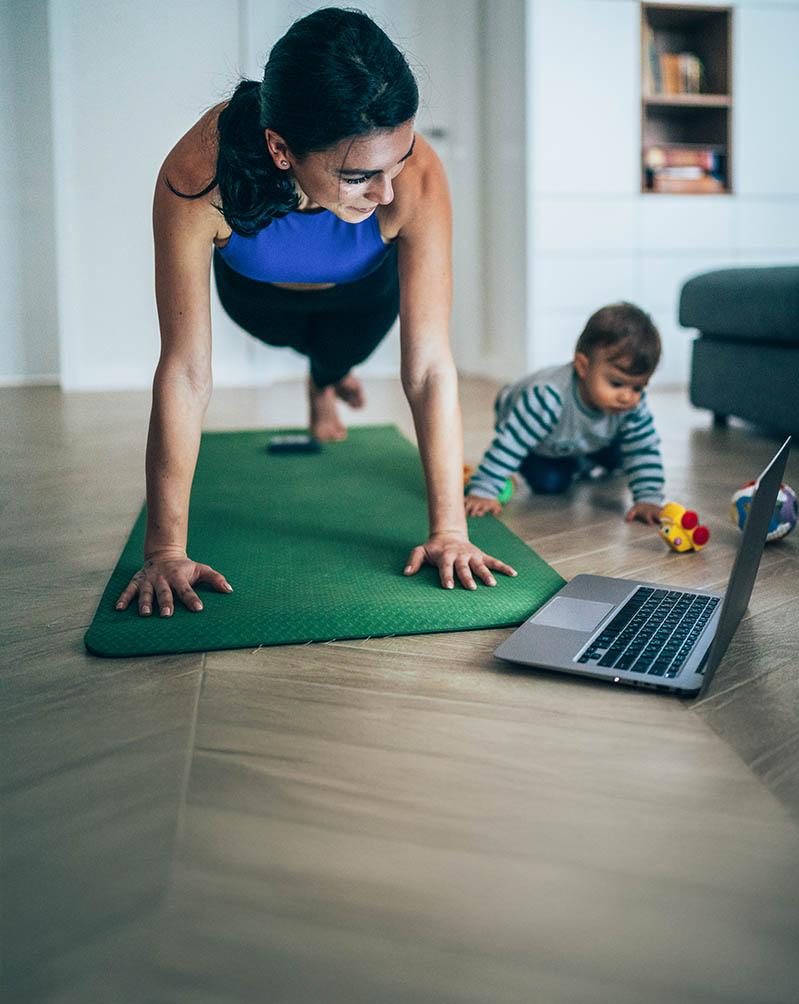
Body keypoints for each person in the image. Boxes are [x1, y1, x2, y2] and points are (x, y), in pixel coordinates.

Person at [115, 8, 516, 619]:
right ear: (281, 149)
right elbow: (185, 371)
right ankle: (324, 374)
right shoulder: (199, 172)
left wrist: (451, 531)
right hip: (258, 298)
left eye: (398, 162)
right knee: (301, 341)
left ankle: (326, 379)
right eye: (360, 176)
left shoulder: (417, 177)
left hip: (361, 296)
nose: (387, 192)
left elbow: (430, 366)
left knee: (339, 350)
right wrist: (165, 548)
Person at [464, 303, 666, 523]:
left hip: (581, 436)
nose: (627, 396)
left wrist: (648, 498)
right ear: (583, 366)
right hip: (534, 434)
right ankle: (575, 461)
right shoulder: (547, 398)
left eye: (637, 387)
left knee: (623, 455)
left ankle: (581, 458)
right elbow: (510, 443)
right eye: (616, 383)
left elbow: (643, 447)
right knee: (549, 483)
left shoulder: (630, 406)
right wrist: (484, 490)